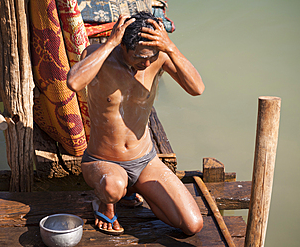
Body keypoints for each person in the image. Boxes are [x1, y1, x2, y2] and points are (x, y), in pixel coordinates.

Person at [67, 11, 204, 236]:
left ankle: (135, 187)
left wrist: (170, 48)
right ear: (123, 46)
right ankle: (104, 203)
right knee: (112, 188)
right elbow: (73, 82)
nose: (147, 62)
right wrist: (110, 43)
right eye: (140, 57)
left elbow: (197, 88)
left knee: (192, 225)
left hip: (144, 161)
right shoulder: (99, 56)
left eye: (152, 56)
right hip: (103, 161)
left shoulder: (158, 58)